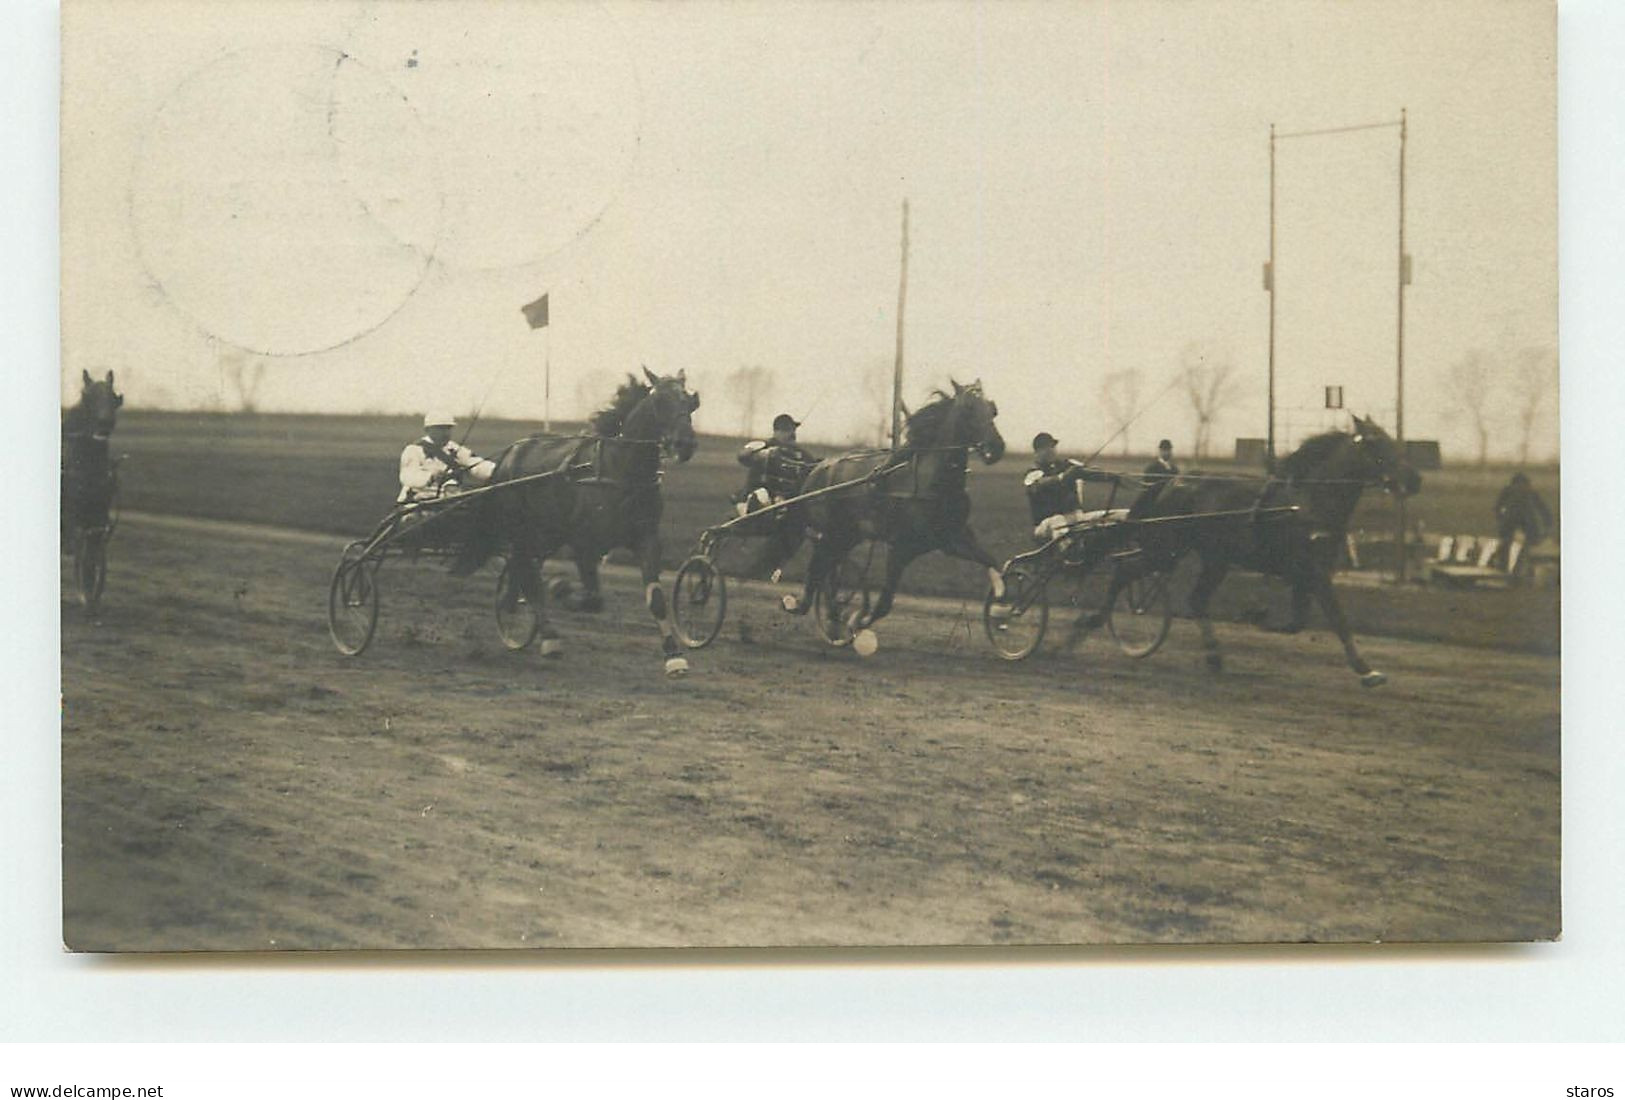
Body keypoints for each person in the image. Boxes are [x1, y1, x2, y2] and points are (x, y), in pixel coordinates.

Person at [1024, 431, 1121, 541]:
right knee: (1058, 521)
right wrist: (1063, 477)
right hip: (1046, 524)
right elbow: (1037, 485)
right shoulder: (1033, 471)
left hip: (1076, 519)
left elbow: (1089, 472)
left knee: (1119, 516)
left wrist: (1113, 476)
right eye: (1045, 448)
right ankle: (1069, 554)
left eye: (1052, 447)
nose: (1050, 450)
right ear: (1037, 452)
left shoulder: (1068, 465)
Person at [398, 411, 496, 504]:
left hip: (450, 501)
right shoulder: (413, 450)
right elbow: (408, 477)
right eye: (440, 429)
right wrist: (431, 476)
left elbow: (476, 465)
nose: (445, 433)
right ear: (428, 430)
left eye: (448, 428)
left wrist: (498, 470)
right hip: (418, 501)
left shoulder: (455, 449)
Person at [735, 413, 818, 516]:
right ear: (776, 431)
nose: (791, 434)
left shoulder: (800, 453)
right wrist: (761, 454)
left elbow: (814, 466)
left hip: (788, 500)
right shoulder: (763, 445)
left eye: (792, 430)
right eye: (786, 430)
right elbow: (742, 456)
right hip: (758, 496)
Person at [1492, 471, 1553, 570]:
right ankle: (1522, 567)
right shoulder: (1529, 491)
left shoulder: (1508, 490)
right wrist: (1547, 524)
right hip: (1526, 520)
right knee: (1526, 546)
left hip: (1511, 520)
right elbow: (1542, 509)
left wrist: (1501, 518)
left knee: (1506, 544)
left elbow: (1498, 507)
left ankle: (1503, 566)